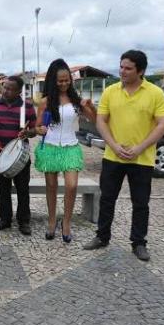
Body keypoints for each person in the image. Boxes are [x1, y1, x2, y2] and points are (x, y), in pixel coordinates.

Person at [83, 50, 164, 261]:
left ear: (140, 71)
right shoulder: (110, 91)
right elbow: (101, 121)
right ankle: (102, 236)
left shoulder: (155, 93)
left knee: (140, 203)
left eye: (128, 68)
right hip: (113, 157)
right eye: (121, 66)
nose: (122, 71)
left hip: (142, 159)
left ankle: (139, 243)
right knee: (107, 199)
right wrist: (112, 145)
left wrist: (140, 147)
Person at [35, 59, 97, 243]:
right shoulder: (45, 101)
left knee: (71, 185)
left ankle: (67, 223)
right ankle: (52, 221)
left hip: (71, 147)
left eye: (67, 80)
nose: (64, 84)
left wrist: (91, 106)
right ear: (53, 81)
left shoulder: (77, 101)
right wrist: (39, 129)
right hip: (51, 147)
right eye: (60, 81)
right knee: (51, 187)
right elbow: (38, 125)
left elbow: (94, 120)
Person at [0, 76, 36, 235]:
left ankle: (24, 221)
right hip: (0, 152)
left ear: (19, 91)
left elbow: (35, 130)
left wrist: (27, 133)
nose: (5, 91)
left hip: (20, 155)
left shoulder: (27, 107)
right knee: (3, 188)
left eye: (9, 88)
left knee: (22, 189)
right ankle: (5, 219)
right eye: (4, 87)